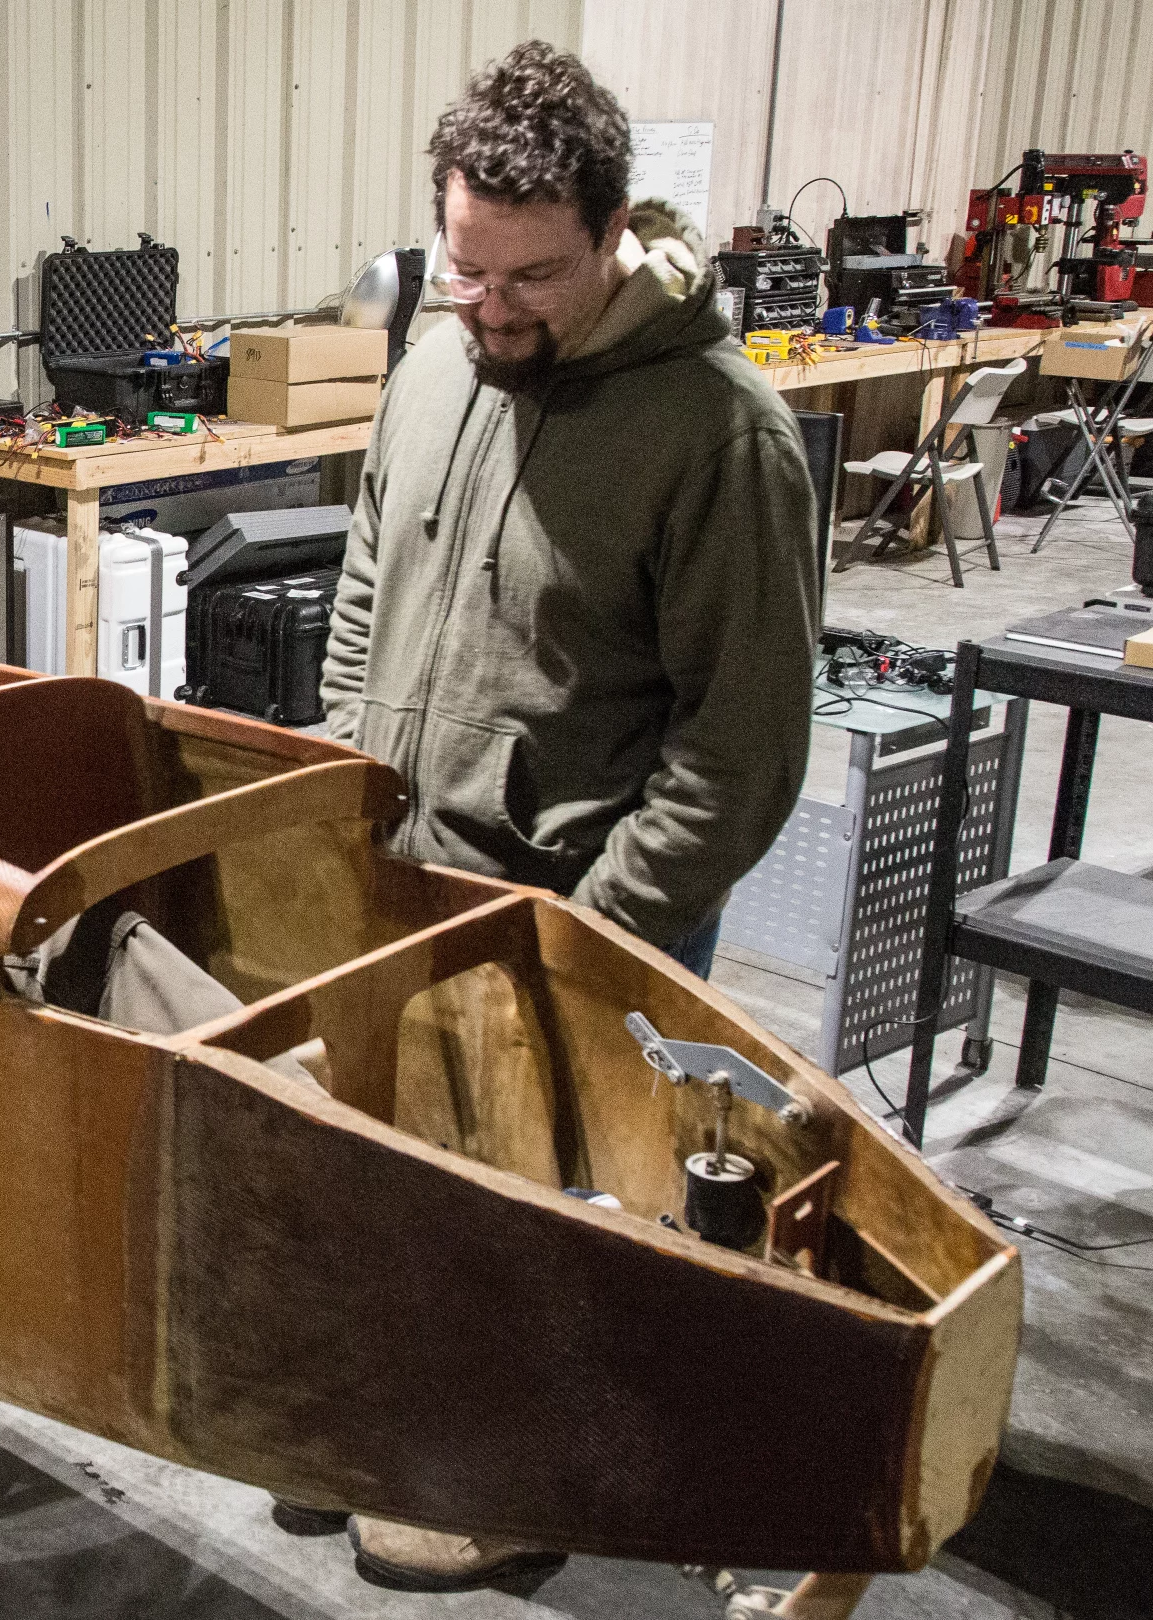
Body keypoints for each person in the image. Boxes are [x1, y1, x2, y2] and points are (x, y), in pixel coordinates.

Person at [299, 41, 819, 1593]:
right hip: (409, 875)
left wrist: (597, 932)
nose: (491, 306)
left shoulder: (719, 434)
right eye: (465, 267)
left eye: (531, 276)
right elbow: (366, 590)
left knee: (559, 1220)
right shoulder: (437, 365)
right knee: (412, 1193)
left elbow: (740, 752)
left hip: (582, 907)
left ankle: (520, 1484)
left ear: (613, 233)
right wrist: (347, 786)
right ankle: (406, 1430)